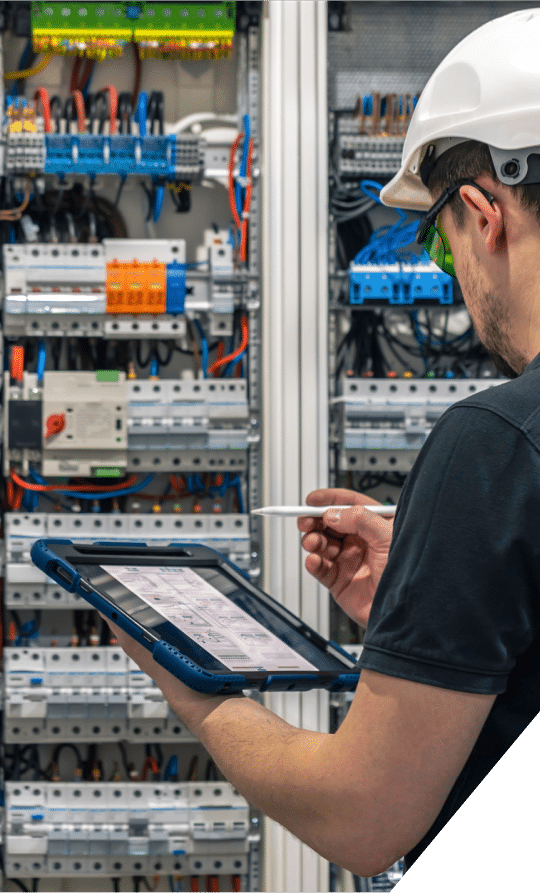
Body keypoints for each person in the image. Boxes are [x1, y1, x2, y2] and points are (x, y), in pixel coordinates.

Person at [106, 7, 540, 877]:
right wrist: (430, 606)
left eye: (442, 246)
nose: (455, 282)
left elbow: (364, 816)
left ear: (483, 214)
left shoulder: (493, 446)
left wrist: (194, 685)